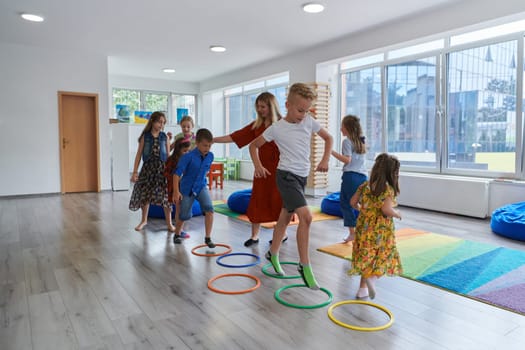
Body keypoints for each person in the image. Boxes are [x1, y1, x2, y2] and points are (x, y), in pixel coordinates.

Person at [250, 82, 333, 289]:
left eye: (306, 110)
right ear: (287, 105)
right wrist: (258, 166)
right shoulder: (276, 128)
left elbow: (329, 138)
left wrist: (325, 160)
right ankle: (304, 266)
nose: (303, 115)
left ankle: (273, 253)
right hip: (285, 176)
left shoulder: (308, 121)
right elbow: (253, 146)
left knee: (285, 217)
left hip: (301, 177)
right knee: (306, 216)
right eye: (299, 110)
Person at [213, 92, 284, 247]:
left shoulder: (282, 124)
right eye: (257, 106)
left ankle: (281, 234)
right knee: (257, 200)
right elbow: (235, 137)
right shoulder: (256, 125)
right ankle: (254, 236)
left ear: (271, 107)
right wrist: (212, 140)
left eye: (263, 106)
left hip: (280, 170)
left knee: (278, 202)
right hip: (261, 170)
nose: (259, 109)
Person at [348, 153, 403, 299]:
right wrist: (397, 213)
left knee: (367, 256)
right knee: (385, 255)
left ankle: (362, 289)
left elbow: (352, 203)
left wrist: (363, 210)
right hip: (381, 230)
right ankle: (373, 278)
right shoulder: (388, 190)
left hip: (363, 228)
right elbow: (386, 209)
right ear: (392, 173)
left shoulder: (365, 185)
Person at [129, 111, 173, 231]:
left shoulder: (165, 137)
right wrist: (134, 172)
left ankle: (169, 223)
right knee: (145, 194)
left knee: (165, 196)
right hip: (148, 169)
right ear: (152, 121)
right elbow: (139, 155)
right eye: (159, 122)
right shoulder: (145, 137)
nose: (161, 125)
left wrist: (171, 172)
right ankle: (144, 220)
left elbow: (168, 155)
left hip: (162, 169)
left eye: (163, 123)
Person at [172, 128, 216, 247]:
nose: (207, 148)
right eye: (205, 145)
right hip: (187, 189)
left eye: (209, 146)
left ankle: (208, 238)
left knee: (209, 209)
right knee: (184, 215)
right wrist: (176, 192)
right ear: (197, 143)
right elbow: (176, 175)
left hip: (201, 186)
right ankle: (177, 234)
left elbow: (204, 171)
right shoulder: (187, 157)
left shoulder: (210, 156)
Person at [330, 115, 367, 243]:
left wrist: (331, 152)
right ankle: (368, 219)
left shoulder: (347, 141)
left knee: (346, 204)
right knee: (357, 203)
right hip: (363, 176)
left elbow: (347, 160)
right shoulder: (362, 140)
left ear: (348, 128)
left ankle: (353, 233)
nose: (340, 129)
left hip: (350, 176)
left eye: (342, 126)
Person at [164, 138, 192, 238]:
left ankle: (179, 229)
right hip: (174, 188)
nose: (187, 153)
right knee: (176, 208)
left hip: (183, 188)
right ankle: (178, 230)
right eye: (184, 151)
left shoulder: (188, 159)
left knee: (180, 209)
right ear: (178, 149)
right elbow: (167, 173)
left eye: (188, 150)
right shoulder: (172, 160)